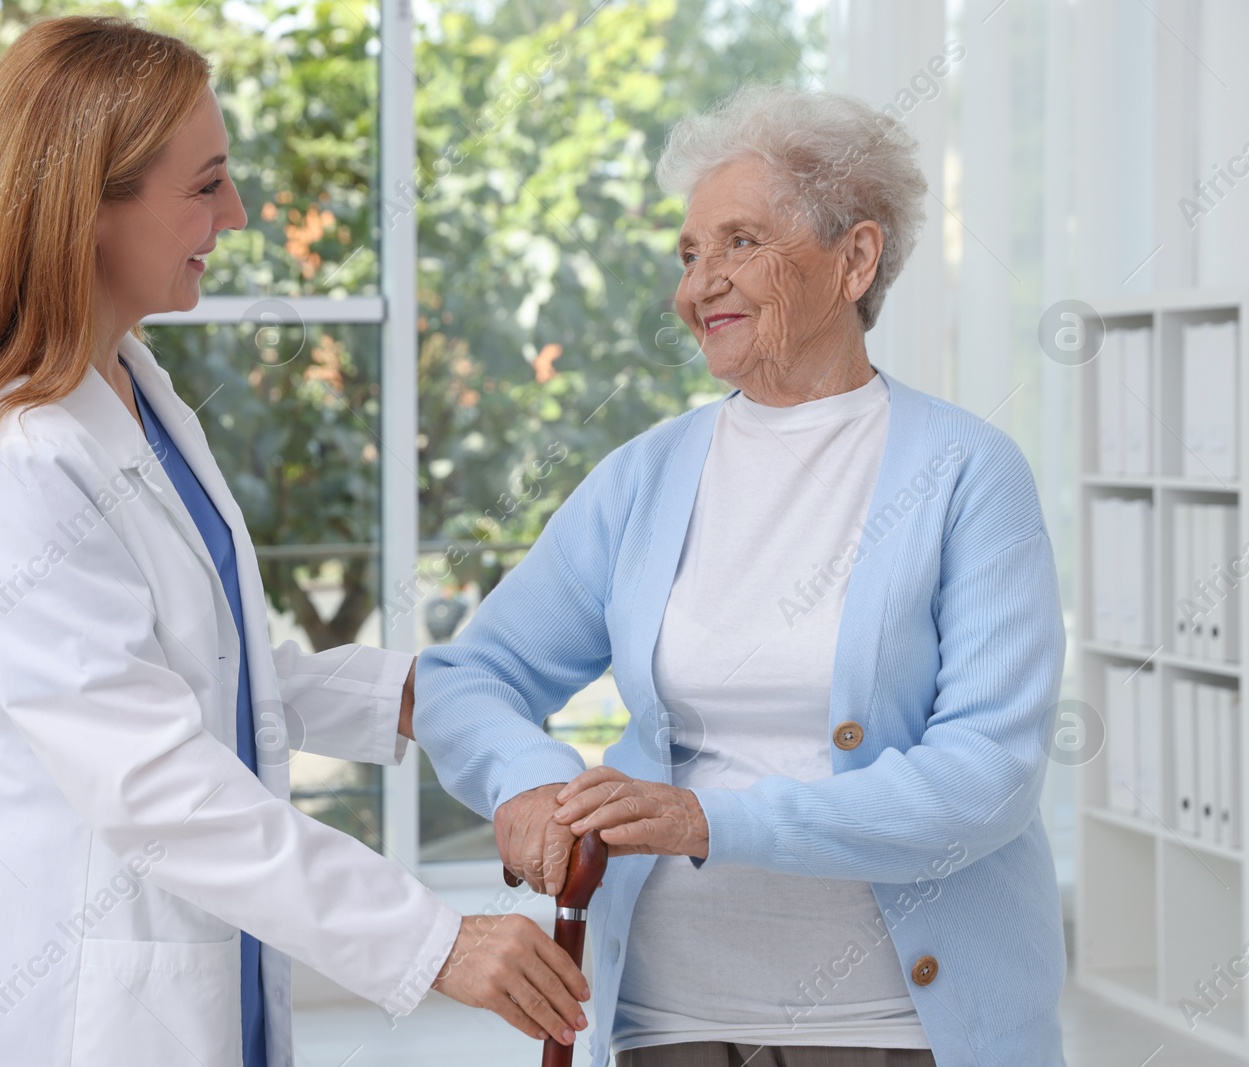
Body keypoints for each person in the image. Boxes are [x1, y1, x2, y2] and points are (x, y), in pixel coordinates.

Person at [0, 16, 588, 1067]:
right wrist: (434, 939)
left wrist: (402, 695)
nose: (236, 214)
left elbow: (200, 670)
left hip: (201, 971)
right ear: (88, 206)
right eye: (206, 184)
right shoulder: (5, 463)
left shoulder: (131, 389)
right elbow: (153, 779)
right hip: (77, 1011)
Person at [413, 84, 1068, 1067]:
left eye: (739, 243)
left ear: (856, 257)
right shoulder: (646, 473)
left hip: (892, 1026)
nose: (698, 284)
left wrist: (710, 819)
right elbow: (468, 678)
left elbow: (985, 778)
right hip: (664, 1020)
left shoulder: (967, 472)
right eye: (687, 253)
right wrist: (533, 784)